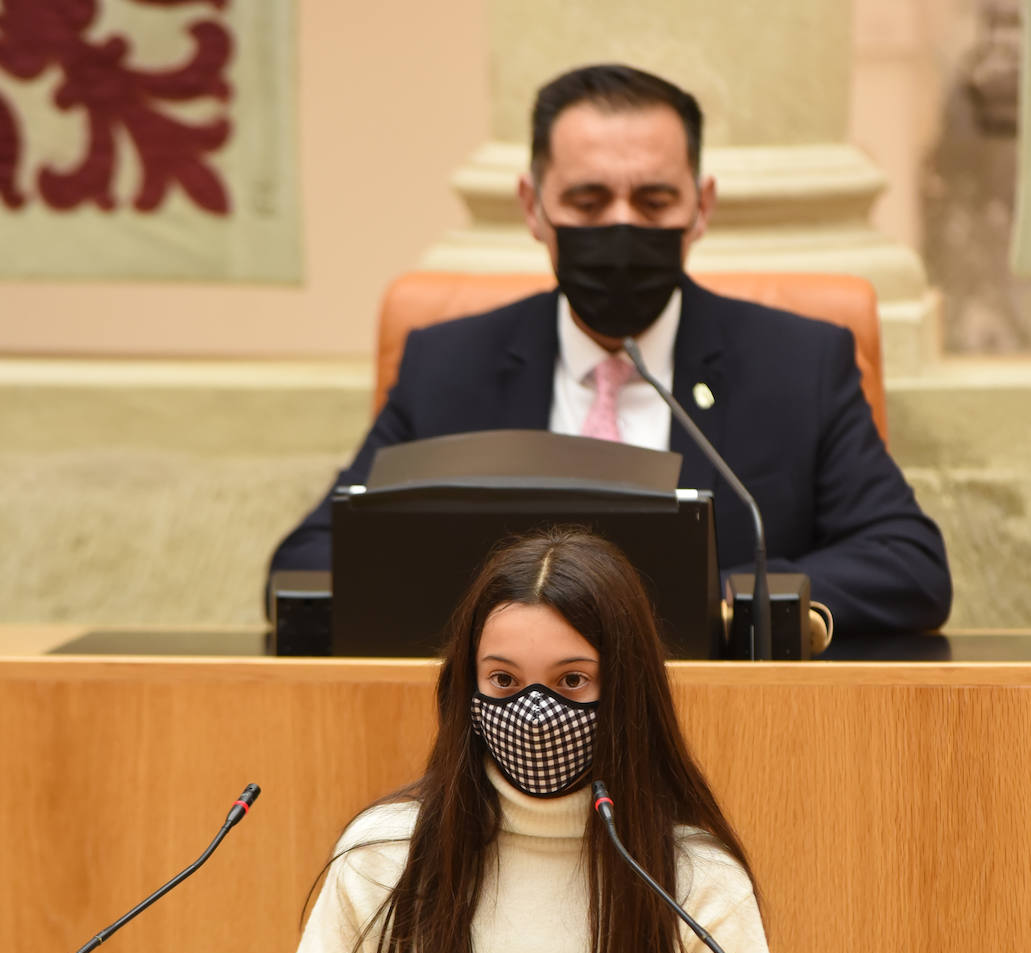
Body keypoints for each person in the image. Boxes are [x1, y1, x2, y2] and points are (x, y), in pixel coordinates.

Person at [268, 63, 951, 639]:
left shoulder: (796, 365)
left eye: (653, 201)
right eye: (588, 201)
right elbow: (305, 566)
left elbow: (907, 564)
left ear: (700, 207)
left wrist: (711, 604)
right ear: (533, 207)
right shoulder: (449, 367)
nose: (621, 226)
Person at [245, 528, 807, 953]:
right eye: (505, 682)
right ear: (468, 688)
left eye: (571, 682)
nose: (534, 711)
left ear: (625, 692)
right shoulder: (382, 854)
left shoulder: (690, 878)